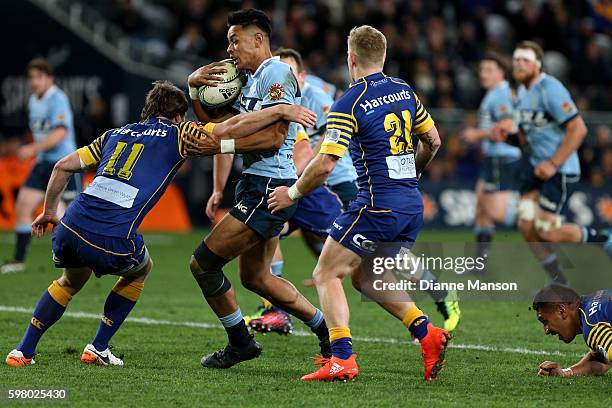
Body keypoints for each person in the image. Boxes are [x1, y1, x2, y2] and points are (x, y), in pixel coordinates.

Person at [5, 80, 316, 367]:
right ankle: (99, 347)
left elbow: (62, 167)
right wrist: (281, 110)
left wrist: (49, 211)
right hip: (112, 234)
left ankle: (23, 351)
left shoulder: (113, 134)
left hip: (71, 225)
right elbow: (228, 129)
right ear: (178, 116)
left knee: (69, 282)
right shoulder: (179, 134)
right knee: (141, 268)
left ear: (148, 110)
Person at [268, 25, 450, 382]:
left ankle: (342, 358)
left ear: (351, 59)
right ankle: (427, 334)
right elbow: (433, 140)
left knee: (326, 273)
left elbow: (325, 163)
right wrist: (411, 175)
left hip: (376, 206)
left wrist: (291, 194)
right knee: (365, 276)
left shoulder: (349, 101)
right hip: (410, 205)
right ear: (382, 57)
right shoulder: (404, 91)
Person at [185, 9, 331, 369]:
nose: (230, 48)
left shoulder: (277, 72)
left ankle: (240, 343)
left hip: (270, 186)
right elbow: (217, 123)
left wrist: (221, 145)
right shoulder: (251, 81)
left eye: (235, 39)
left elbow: (273, 135)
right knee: (256, 277)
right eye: (228, 41)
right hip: (258, 183)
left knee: (202, 264)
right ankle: (330, 334)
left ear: (258, 39)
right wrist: (194, 88)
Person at [244, 48, 343, 335]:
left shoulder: (313, 99)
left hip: (328, 183)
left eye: (288, 74)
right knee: (263, 236)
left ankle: (425, 300)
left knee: (363, 253)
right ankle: (274, 310)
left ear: (301, 76)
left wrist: (302, 180)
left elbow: (319, 147)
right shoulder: (273, 102)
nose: (281, 80)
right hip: (291, 187)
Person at [511, 41, 611, 284]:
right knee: (526, 226)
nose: (519, 64)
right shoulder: (522, 92)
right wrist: (508, 135)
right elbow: (526, 135)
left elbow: (578, 128)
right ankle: (558, 279)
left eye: (525, 60)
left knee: (547, 231)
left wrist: (553, 164)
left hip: (559, 170)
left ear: (537, 65)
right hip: (535, 168)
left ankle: (603, 238)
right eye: (516, 60)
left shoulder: (551, 88)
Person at [1, 58, 79, 275]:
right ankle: (18, 259)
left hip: (65, 164)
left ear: (49, 78)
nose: (34, 82)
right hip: (44, 163)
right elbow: (41, 131)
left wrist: (33, 147)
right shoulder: (34, 101)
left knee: (67, 215)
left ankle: (71, 259)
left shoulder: (57, 99)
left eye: (39, 77)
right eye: (31, 78)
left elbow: (60, 132)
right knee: (23, 205)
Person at [462, 54, 521, 271]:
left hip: (502, 158)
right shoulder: (493, 94)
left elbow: (507, 126)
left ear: (501, 72)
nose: (483, 74)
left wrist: (477, 135)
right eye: (481, 69)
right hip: (493, 158)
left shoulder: (501, 94)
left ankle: (535, 224)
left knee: (496, 212)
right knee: (481, 208)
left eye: (488, 69)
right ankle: (480, 263)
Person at [532, 284, 610, 377]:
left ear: (561, 310)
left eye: (545, 322)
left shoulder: (593, 324)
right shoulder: (596, 300)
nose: (546, 330)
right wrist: (565, 372)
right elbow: (601, 360)